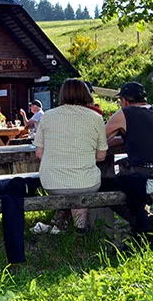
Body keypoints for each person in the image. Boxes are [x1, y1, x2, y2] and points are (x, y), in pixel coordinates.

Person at [35, 78, 108, 232]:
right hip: (86, 183)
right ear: (86, 94)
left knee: (72, 184)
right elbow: (101, 156)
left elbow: (39, 153)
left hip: (51, 183)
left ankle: (62, 225)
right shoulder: (96, 118)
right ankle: (80, 229)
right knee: (82, 184)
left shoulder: (47, 116)